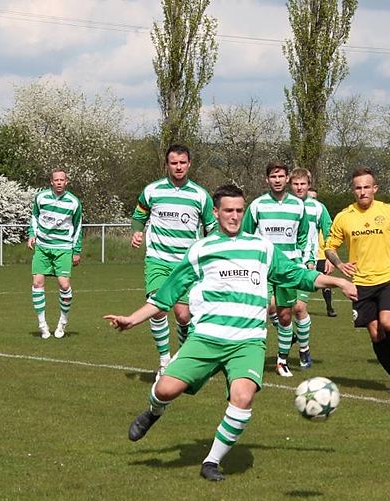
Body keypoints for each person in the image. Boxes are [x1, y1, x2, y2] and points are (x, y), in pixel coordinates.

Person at [106, 184, 357, 482]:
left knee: (243, 396)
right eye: (228, 210)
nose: (235, 216)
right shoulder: (201, 250)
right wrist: (132, 320)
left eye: (239, 210)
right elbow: (166, 295)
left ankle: (211, 461)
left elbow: (295, 274)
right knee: (165, 390)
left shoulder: (261, 248)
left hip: (248, 341)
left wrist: (338, 282)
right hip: (207, 337)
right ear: (215, 212)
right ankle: (153, 412)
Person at [324, 167, 390, 393]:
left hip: (389, 277)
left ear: (375, 188)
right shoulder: (344, 217)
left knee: (388, 323)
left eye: (366, 187)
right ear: (353, 190)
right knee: (376, 334)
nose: (362, 192)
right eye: (358, 188)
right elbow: (329, 246)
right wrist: (339, 264)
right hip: (361, 283)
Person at [130, 144, 216, 376]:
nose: (178, 167)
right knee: (157, 308)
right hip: (157, 260)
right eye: (174, 163)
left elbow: (212, 228)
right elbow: (139, 216)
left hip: (186, 265)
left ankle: (183, 357)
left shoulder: (200, 195)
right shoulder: (152, 191)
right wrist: (137, 231)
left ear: (189, 164)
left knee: (183, 315)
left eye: (182, 163)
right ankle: (164, 360)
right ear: (167, 165)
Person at [242, 161, 311, 378]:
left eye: (281, 176)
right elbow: (246, 234)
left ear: (287, 178)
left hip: (288, 268)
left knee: (285, 317)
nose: (277, 180)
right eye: (273, 176)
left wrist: (301, 260)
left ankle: (282, 361)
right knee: (260, 311)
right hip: (263, 269)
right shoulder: (257, 205)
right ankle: (250, 358)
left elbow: (304, 235)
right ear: (267, 179)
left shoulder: (298, 206)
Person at [27, 168, 83, 339]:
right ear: (51, 182)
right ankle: (42, 325)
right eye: (56, 180)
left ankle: (62, 323)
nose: (59, 182)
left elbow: (78, 226)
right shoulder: (41, 197)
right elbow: (34, 216)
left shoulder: (73, 202)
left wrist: (76, 250)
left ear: (66, 182)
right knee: (37, 283)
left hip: (63, 248)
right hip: (42, 247)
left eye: (62, 180)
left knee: (64, 285)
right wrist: (32, 234)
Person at [288, 168, 333, 368]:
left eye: (303, 184)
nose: (299, 187)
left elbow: (330, 232)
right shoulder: (283, 206)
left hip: (307, 263)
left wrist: (330, 257)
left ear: (309, 184)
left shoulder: (318, 208)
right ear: (290, 185)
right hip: (281, 263)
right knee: (273, 308)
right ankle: (289, 336)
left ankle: (304, 349)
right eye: (296, 184)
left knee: (299, 307)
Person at [305, 188, 337, 317]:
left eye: (314, 198)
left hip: (322, 255)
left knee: (325, 283)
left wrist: (330, 257)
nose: (312, 201)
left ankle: (329, 307)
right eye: (309, 197)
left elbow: (330, 233)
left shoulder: (319, 213)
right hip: (306, 256)